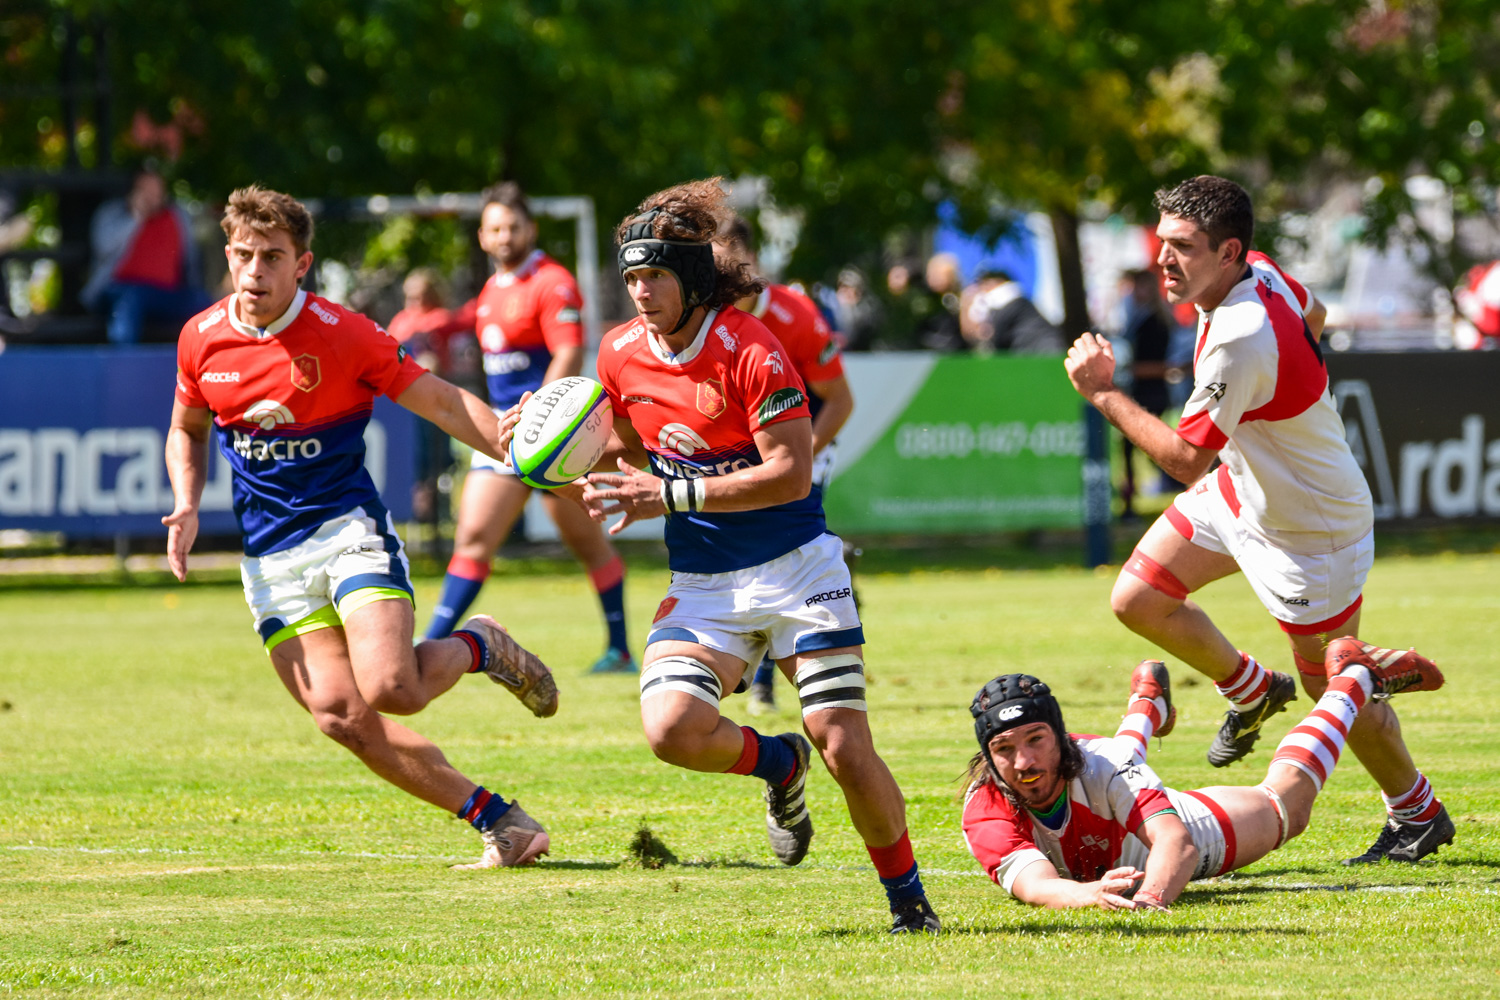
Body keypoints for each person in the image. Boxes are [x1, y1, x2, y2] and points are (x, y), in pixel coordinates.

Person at [535, 178, 938, 932]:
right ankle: (779, 764)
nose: (640, 291)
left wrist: (671, 496)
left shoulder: (754, 348)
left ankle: (908, 900)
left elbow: (788, 472)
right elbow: (624, 454)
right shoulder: (619, 353)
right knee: (671, 729)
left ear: (690, 276)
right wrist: (554, 448)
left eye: (653, 274)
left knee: (846, 746)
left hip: (797, 568)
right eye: (630, 278)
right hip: (705, 581)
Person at [163, 185, 557, 869]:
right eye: (243, 256)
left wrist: (515, 445)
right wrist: (187, 501)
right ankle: (502, 822)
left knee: (391, 690)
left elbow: (436, 399)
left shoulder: (342, 333)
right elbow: (186, 430)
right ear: (228, 254)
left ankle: (479, 644)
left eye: (272, 257)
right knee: (343, 719)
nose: (255, 271)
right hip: (269, 558)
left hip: (347, 531)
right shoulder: (200, 338)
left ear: (303, 263)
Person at [1064, 175, 1454, 865]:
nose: (1163, 260)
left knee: (1331, 688)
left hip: (1312, 530)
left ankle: (1416, 811)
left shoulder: (1242, 332)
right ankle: (1250, 689)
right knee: (1139, 597)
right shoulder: (1260, 274)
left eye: (1182, 247)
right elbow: (1319, 311)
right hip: (1244, 491)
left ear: (1230, 251)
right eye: (1162, 243)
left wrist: (1103, 392)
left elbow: (1185, 460)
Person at [962, 641, 1445, 910]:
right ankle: (1149, 702)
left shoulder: (1097, 759)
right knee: (1113, 771)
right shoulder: (984, 807)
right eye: (1003, 749)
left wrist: (1150, 901)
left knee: (1288, 807)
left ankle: (1352, 680)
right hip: (1111, 793)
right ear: (987, 754)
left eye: (1035, 739)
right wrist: (1087, 895)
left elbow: (1177, 844)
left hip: (1178, 828)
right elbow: (1037, 886)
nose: (1022, 762)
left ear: (1061, 735)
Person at [421, 182, 634, 675]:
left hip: (547, 438)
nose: (504, 236)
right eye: (495, 228)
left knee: (588, 543)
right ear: (481, 236)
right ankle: (432, 643)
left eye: (513, 227)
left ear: (530, 230)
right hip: (501, 437)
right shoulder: (492, 290)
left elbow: (567, 351)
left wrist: (539, 423)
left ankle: (620, 650)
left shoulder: (552, 282)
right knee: (473, 537)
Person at [717, 217, 857, 717]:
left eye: (727, 257)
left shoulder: (795, 313)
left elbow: (840, 401)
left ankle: (769, 679)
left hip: (806, 449)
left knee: (781, 547)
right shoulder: (705, 319)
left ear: (750, 259)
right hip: (742, 457)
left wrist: (800, 456)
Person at [82, 165, 211, 344]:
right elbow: (103, 247)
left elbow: (192, 261)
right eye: (145, 188)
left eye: (156, 188)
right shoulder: (111, 213)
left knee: (205, 303)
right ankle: (124, 366)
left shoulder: (179, 217)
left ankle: (212, 365)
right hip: (121, 289)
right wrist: (135, 217)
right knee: (128, 302)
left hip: (168, 294)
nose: (152, 195)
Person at [387, 268, 459, 531]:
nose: (414, 303)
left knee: (439, 461)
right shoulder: (401, 321)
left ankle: (438, 509)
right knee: (413, 460)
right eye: (410, 297)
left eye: (420, 297)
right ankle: (418, 510)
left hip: (437, 402)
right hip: (406, 406)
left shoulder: (440, 318)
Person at [1116, 268, 1182, 519]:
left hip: (1150, 391)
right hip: (1146, 390)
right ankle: (1134, 498)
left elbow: (1157, 364)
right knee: (1137, 448)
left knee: (1148, 447)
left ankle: (1174, 481)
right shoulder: (1141, 317)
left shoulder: (1154, 321)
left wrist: (1127, 370)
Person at [961, 268, 1063, 355]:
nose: (983, 290)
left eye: (986, 284)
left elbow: (993, 340)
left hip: (1043, 355)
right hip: (1038, 356)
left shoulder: (1012, 304)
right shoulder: (1018, 303)